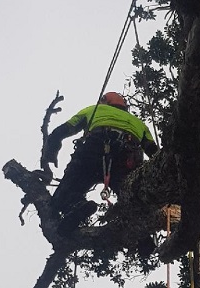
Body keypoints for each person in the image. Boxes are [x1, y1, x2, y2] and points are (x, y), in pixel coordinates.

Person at [44, 92, 158, 232]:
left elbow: (59, 132)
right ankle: (142, 237)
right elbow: (154, 152)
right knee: (132, 196)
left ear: (104, 101)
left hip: (93, 150)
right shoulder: (139, 123)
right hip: (127, 157)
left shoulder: (94, 109)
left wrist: (50, 153)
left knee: (65, 192)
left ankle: (77, 206)